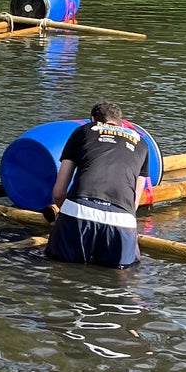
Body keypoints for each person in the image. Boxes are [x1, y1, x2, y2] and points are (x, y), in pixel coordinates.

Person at [44, 102, 151, 269]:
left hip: (79, 210)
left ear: (92, 120)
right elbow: (134, 204)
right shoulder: (142, 144)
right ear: (121, 122)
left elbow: (58, 192)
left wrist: (65, 218)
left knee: (60, 271)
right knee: (122, 278)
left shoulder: (83, 131)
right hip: (122, 219)